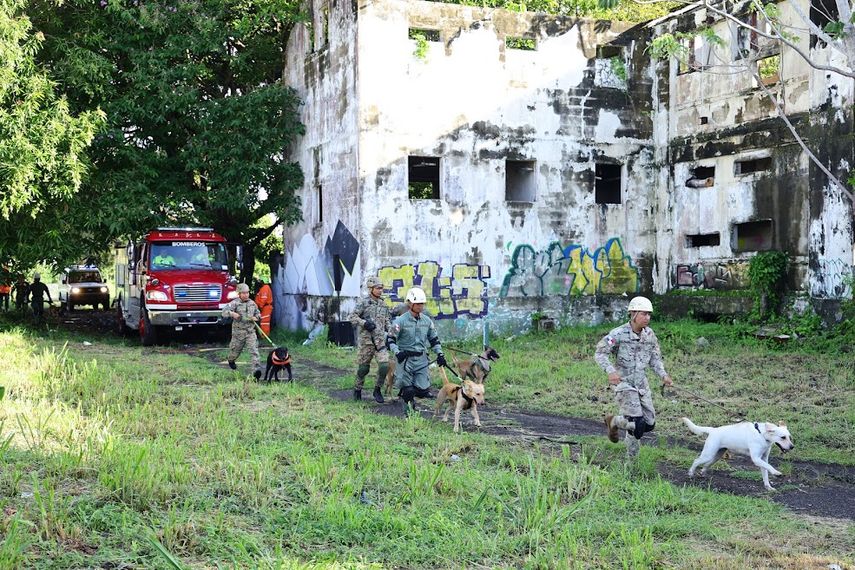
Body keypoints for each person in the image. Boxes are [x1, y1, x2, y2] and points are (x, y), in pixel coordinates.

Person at [595, 296, 673, 459]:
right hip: (624, 384)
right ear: (633, 314)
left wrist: (663, 375)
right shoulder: (618, 333)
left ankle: (614, 421)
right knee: (636, 424)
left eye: (649, 315)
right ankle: (632, 462)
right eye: (644, 314)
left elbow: (654, 358)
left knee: (649, 425)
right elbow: (600, 353)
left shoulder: (650, 335)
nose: (647, 318)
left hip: (642, 385)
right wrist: (611, 371)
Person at [386, 287, 446, 415]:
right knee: (408, 390)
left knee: (423, 390)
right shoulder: (400, 321)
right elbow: (390, 339)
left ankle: (410, 395)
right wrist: (397, 352)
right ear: (410, 303)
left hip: (421, 359)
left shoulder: (427, 321)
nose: (420, 306)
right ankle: (409, 413)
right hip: (405, 359)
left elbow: (434, 339)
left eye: (422, 304)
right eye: (418, 303)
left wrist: (440, 354)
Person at [348, 276, 393, 403]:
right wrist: (364, 323)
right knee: (363, 369)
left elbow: (387, 322)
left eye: (381, 288)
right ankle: (357, 389)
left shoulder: (383, 304)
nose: (380, 290)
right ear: (370, 289)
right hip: (366, 342)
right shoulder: (363, 302)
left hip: (380, 342)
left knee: (384, 366)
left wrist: (392, 331)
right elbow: (352, 317)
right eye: (378, 288)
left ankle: (377, 389)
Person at [222, 283, 262, 379]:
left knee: (254, 351)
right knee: (235, 352)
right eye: (243, 293)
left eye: (247, 293)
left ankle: (256, 372)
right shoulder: (234, 303)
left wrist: (256, 318)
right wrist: (232, 313)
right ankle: (231, 360)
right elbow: (224, 312)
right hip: (238, 333)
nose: (246, 295)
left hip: (250, 332)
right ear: (239, 294)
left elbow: (259, 314)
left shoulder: (252, 303)